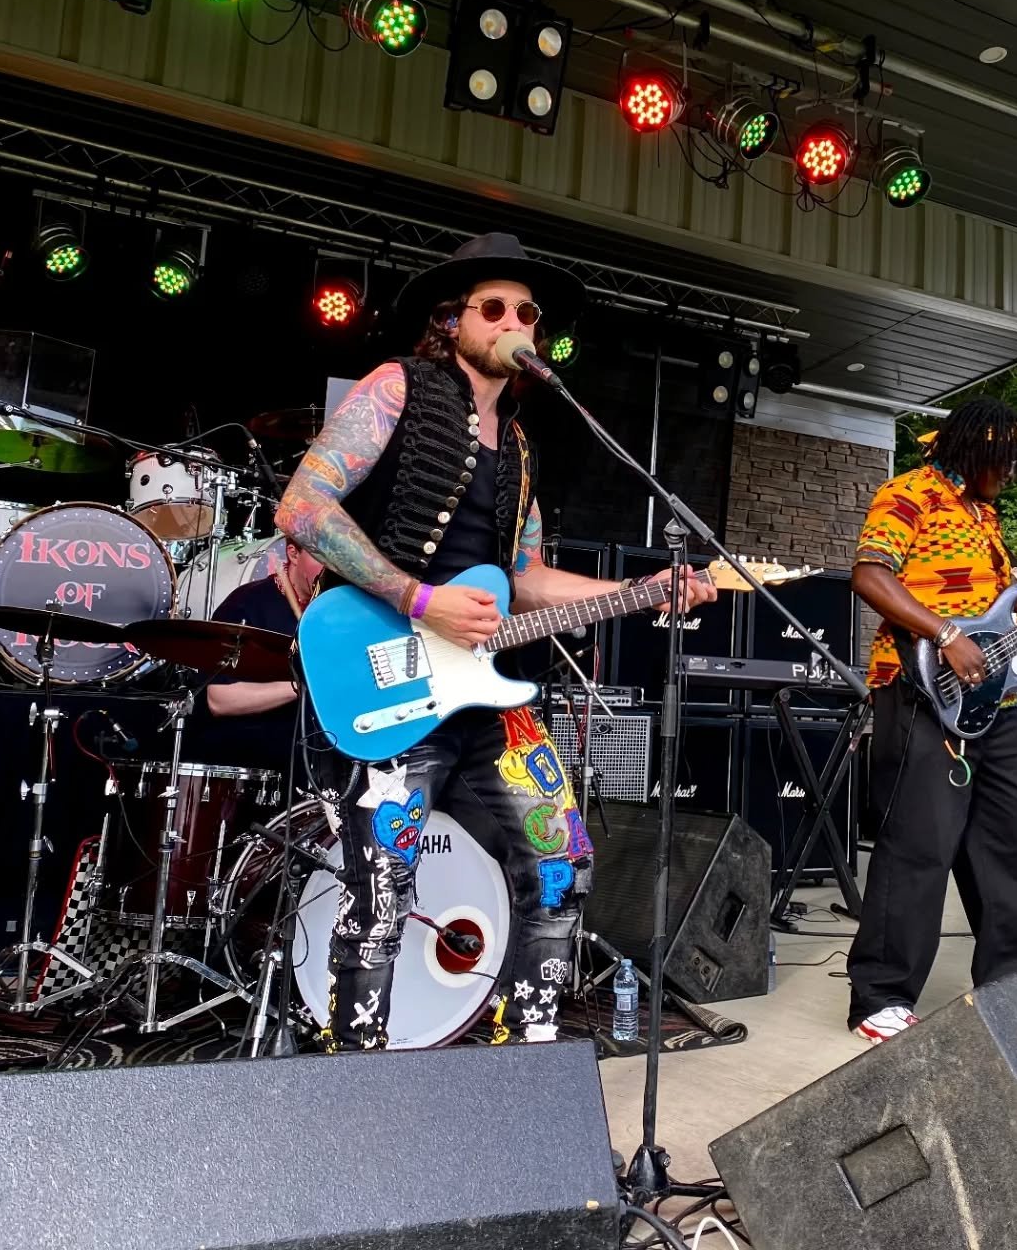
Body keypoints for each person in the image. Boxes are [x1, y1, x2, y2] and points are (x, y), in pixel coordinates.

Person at [275, 232, 714, 1050]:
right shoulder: (396, 387)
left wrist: (647, 592)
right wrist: (419, 598)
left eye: (529, 312)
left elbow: (528, 576)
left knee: (563, 863)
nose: (517, 321)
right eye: (496, 308)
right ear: (451, 322)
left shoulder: (517, 446)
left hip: (482, 695)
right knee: (381, 898)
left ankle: (529, 1071)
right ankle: (350, 1088)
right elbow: (302, 508)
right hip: (390, 681)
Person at [845, 397, 1017, 1044]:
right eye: (1002, 461)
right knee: (919, 844)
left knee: (1015, 839)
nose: (1009, 473)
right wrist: (945, 632)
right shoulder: (908, 494)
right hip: (920, 689)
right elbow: (869, 575)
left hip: (991, 700)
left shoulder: (985, 516)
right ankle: (880, 997)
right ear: (970, 450)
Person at [181, 539, 324, 772]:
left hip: (328, 755)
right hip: (260, 762)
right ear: (293, 554)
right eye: (321, 557)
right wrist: (301, 686)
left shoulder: (339, 610)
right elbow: (220, 699)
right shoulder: (246, 605)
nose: (331, 567)